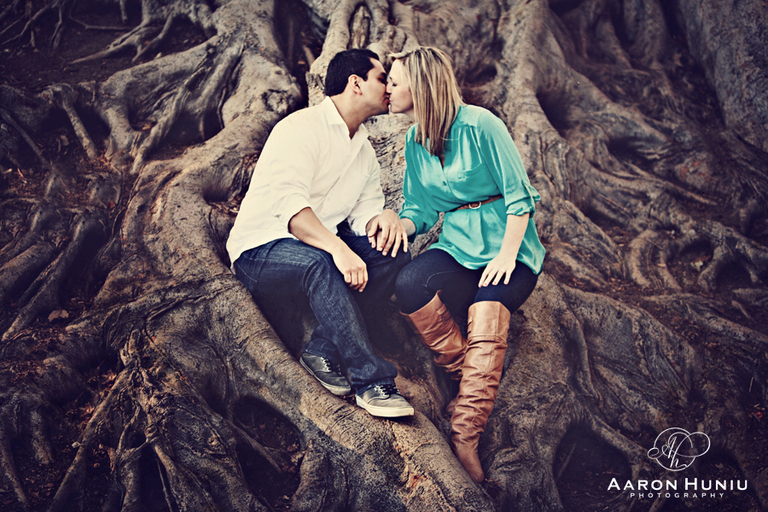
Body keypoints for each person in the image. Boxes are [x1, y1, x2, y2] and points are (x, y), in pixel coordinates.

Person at [227, 49, 414, 418]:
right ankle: (371, 382)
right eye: (382, 79)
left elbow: (365, 218)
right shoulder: (299, 128)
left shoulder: (364, 152)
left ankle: (322, 351)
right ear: (356, 83)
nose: (389, 88)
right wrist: (338, 249)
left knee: (392, 253)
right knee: (320, 262)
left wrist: (387, 218)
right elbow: (293, 213)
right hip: (260, 252)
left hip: (319, 256)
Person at [387, 47, 545, 481]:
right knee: (411, 284)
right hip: (458, 248)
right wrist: (400, 224)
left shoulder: (482, 124)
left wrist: (507, 255)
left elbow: (520, 197)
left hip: (509, 249)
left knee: (487, 305)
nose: (388, 89)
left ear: (420, 86)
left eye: (395, 82)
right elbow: (420, 206)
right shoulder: (415, 138)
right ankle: (470, 384)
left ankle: (466, 433)